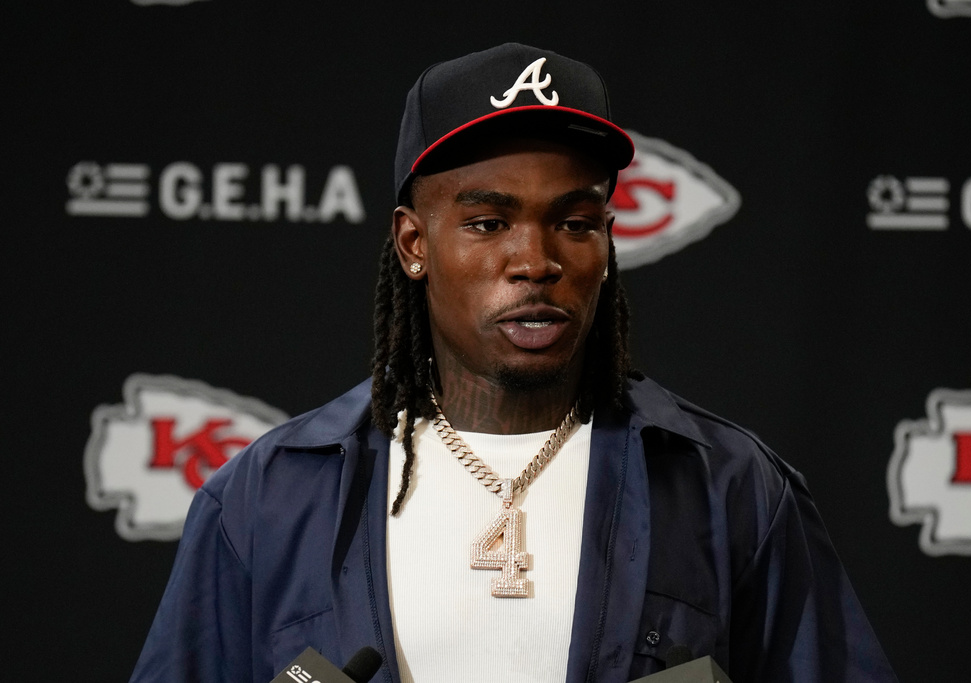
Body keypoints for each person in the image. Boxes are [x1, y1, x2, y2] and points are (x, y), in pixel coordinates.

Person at [130, 43, 899, 682]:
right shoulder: (270, 496)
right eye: (489, 222)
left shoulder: (726, 487)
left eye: (576, 222)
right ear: (414, 243)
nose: (536, 260)